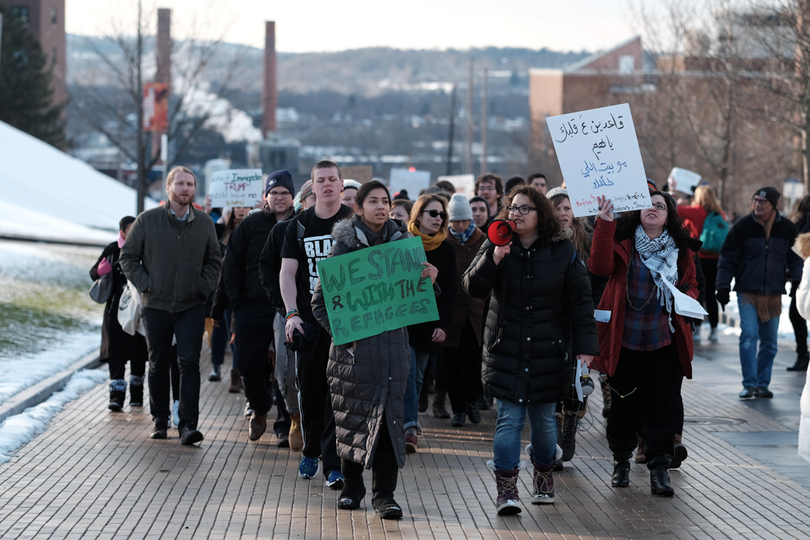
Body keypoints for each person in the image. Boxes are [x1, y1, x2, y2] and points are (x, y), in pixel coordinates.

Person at [462, 185, 597, 514]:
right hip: (506, 347)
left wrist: (585, 347)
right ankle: (506, 492)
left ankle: (543, 479)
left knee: (544, 422)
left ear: (541, 215)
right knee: (508, 419)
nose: (516, 215)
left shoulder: (563, 250)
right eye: (513, 208)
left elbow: (580, 301)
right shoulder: (496, 242)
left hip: (549, 350)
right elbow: (473, 287)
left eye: (524, 209)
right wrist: (494, 259)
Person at [312, 181, 416, 520]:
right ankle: (352, 487)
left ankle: (384, 495)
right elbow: (320, 303)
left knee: (389, 424)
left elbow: (417, 298)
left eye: (385, 201)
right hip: (352, 356)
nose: (381, 207)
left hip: (393, 354)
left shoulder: (404, 247)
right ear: (358, 207)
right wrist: (345, 336)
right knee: (352, 420)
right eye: (373, 201)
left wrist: (429, 278)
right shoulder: (343, 247)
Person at [589, 191, 699, 497]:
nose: (652, 208)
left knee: (660, 406)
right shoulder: (623, 241)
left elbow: (692, 283)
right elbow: (598, 267)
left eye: (660, 206)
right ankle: (621, 461)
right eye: (648, 204)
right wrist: (604, 224)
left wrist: (687, 299)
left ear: (669, 215)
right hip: (624, 339)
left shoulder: (681, 249)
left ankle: (659, 469)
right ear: (637, 212)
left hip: (664, 340)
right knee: (623, 405)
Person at [120, 166, 222, 444]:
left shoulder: (203, 222)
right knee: (158, 363)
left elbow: (214, 259)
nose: (185, 189)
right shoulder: (147, 220)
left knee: (189, 363)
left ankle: (187, 424)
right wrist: (146, 284)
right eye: (180, 184)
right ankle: (160, 420)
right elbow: (127, 257)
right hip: (156, 304)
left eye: (190, 184)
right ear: (168, 188)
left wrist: (203, 287)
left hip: (191, 304)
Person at [280, 160, 352, 487]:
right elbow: (288, 273)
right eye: (320, 180)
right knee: (309, 391)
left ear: (340, 185)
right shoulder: (299, 225)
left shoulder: (355, 223)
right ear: (313, 186)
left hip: (345, 323)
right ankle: (310, 448)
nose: (326, 185)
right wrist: (292, 314)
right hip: (309, 322)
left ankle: (333, 464)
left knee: (337, 395)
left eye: (332, 179)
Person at [223, 169, 295, 444]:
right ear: (266, 195)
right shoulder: (251, 225)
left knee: (286, 370)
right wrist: (237, 303)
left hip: (288, 308)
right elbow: (231, 264)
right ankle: (260, 408)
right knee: (248, 365)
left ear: (292, 197)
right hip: (252, 307)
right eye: (274, 192)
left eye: (285, 193)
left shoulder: (300, 224)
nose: (279, 197)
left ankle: (287, 424)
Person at [716, 187, 802, 399]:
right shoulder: (743, 226)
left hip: (773, 294)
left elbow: (797, 258)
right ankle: (749, 383)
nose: (758, 205)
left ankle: (763, 384)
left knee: (770, 342)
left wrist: (798, 281)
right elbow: (727, 258)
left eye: (763, 202)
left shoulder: (787, 228)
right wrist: (723, 286)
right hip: (747, 292)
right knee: (748, 336)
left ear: (773, 205)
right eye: (755, 200)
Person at [546, 187, 605, 464]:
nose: (562, 214)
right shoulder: (541, 241)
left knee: (578, 383)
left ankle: (570, 425)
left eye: (567, 208)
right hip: (549, 325)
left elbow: (598, 278)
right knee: (552, 382)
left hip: (578, 323)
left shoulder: (588, 241)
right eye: (557, 208)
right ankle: (555, 433)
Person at [403, 194, 456, 452]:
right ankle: (409, 428)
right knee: (408, 372)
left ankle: (407, 420)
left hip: (427, 324)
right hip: (402, 323)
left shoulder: (446, 249)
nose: (438, 219)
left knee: (417, 378)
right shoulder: (402, 243)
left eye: (442, 215)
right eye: (433, 213)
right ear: (419, 215)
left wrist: (443, 325)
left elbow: (450, 292)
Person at [90, 216, 149, 411]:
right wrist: (100, 271)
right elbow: (93, 273)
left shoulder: (146, 248)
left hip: (139, 310)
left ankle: (137, 395)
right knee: (115, 353)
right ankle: (116, 397)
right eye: (130, 230)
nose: (134, 233)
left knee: (139, 351)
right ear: (122, 231)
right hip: (115, 311)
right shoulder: (112, 249)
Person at [443, 194, 486, 427]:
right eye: (456, 220)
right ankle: (458, 409)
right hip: (453, 315)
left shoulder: (484, 240)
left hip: (477, 314)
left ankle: (472, 402)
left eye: (464, 220)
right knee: (452, 366)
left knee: (475, 363)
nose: (460, 225)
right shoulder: (444, 242)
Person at [674, 185, 727, 344]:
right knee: (711, 294)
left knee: (698, 292)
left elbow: (674, 209)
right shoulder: (720, 214)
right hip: (716, 259)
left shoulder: (696, 211)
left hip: (699, 258)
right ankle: (714, 329)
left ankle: (696, 327)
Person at [788, 195, 810, 371]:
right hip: (801, 274)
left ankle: (802, 353)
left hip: (802, 275)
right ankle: (802, 353)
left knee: (797, 313)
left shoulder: (802, 222)